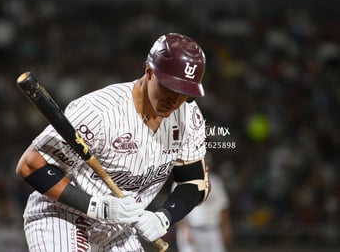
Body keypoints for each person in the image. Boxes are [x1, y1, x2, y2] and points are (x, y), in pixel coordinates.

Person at [15, 33, 211, 251]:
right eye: (169, 87)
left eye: (184, 92)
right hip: (62, 217)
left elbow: (194, 182)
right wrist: (97, 207)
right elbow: (30, 164)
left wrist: (164, 217)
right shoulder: (98, 112)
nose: (175, 100)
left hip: (118, 229)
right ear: (149, 71)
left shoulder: (188, 117)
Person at [175, 154, 232, 252]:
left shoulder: (215, 181)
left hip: (213, 231)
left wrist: (225, 229)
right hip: (192, 230)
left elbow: (222, 207)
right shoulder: (181, 182)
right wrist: (184, 231)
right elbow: (177, 210)